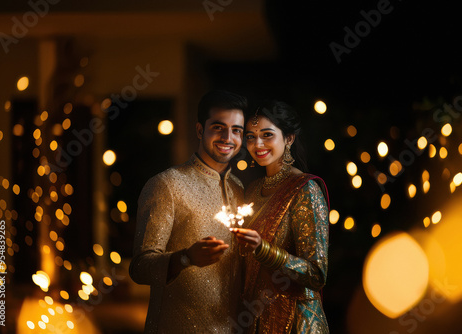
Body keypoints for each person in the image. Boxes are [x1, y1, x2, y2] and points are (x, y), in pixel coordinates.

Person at [129, 90, 248, 333]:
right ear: (199, 130)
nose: (228, 137)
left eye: (236, 130)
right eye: (218, 127)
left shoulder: (239, 188)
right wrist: (186, 258)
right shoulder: (167, 185)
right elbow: (140, 267)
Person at [231, 100, 330, 333]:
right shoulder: (253, 190)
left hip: (296, 320)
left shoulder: (304, 189)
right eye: (251, 137)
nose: (258, 144)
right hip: (256, 316)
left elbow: (317, 274)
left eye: (267, 135)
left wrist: (264, 249)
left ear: (289, 138)